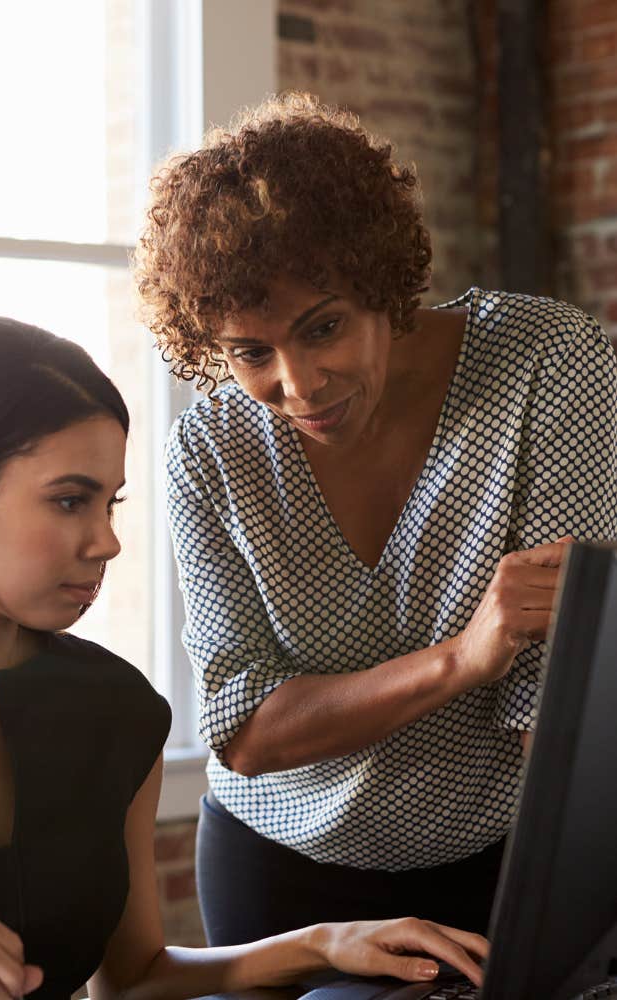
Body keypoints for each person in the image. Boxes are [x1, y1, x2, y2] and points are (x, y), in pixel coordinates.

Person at [0, 317, 489, 1000]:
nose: (106, 542)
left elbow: (135, 975)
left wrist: (324, 944)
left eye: (110, 503)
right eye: (69, 501)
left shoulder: (115, 707)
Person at [133, 91, 617, 947]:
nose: (300, 384)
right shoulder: (208, 446)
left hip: (499, 865)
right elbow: (242, 727)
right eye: (252, 352)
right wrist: (463, 657)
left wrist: (566, 917)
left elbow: (559, 700)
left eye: (324, 328)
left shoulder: (550, 365)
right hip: (274, 876)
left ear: (383, 282)